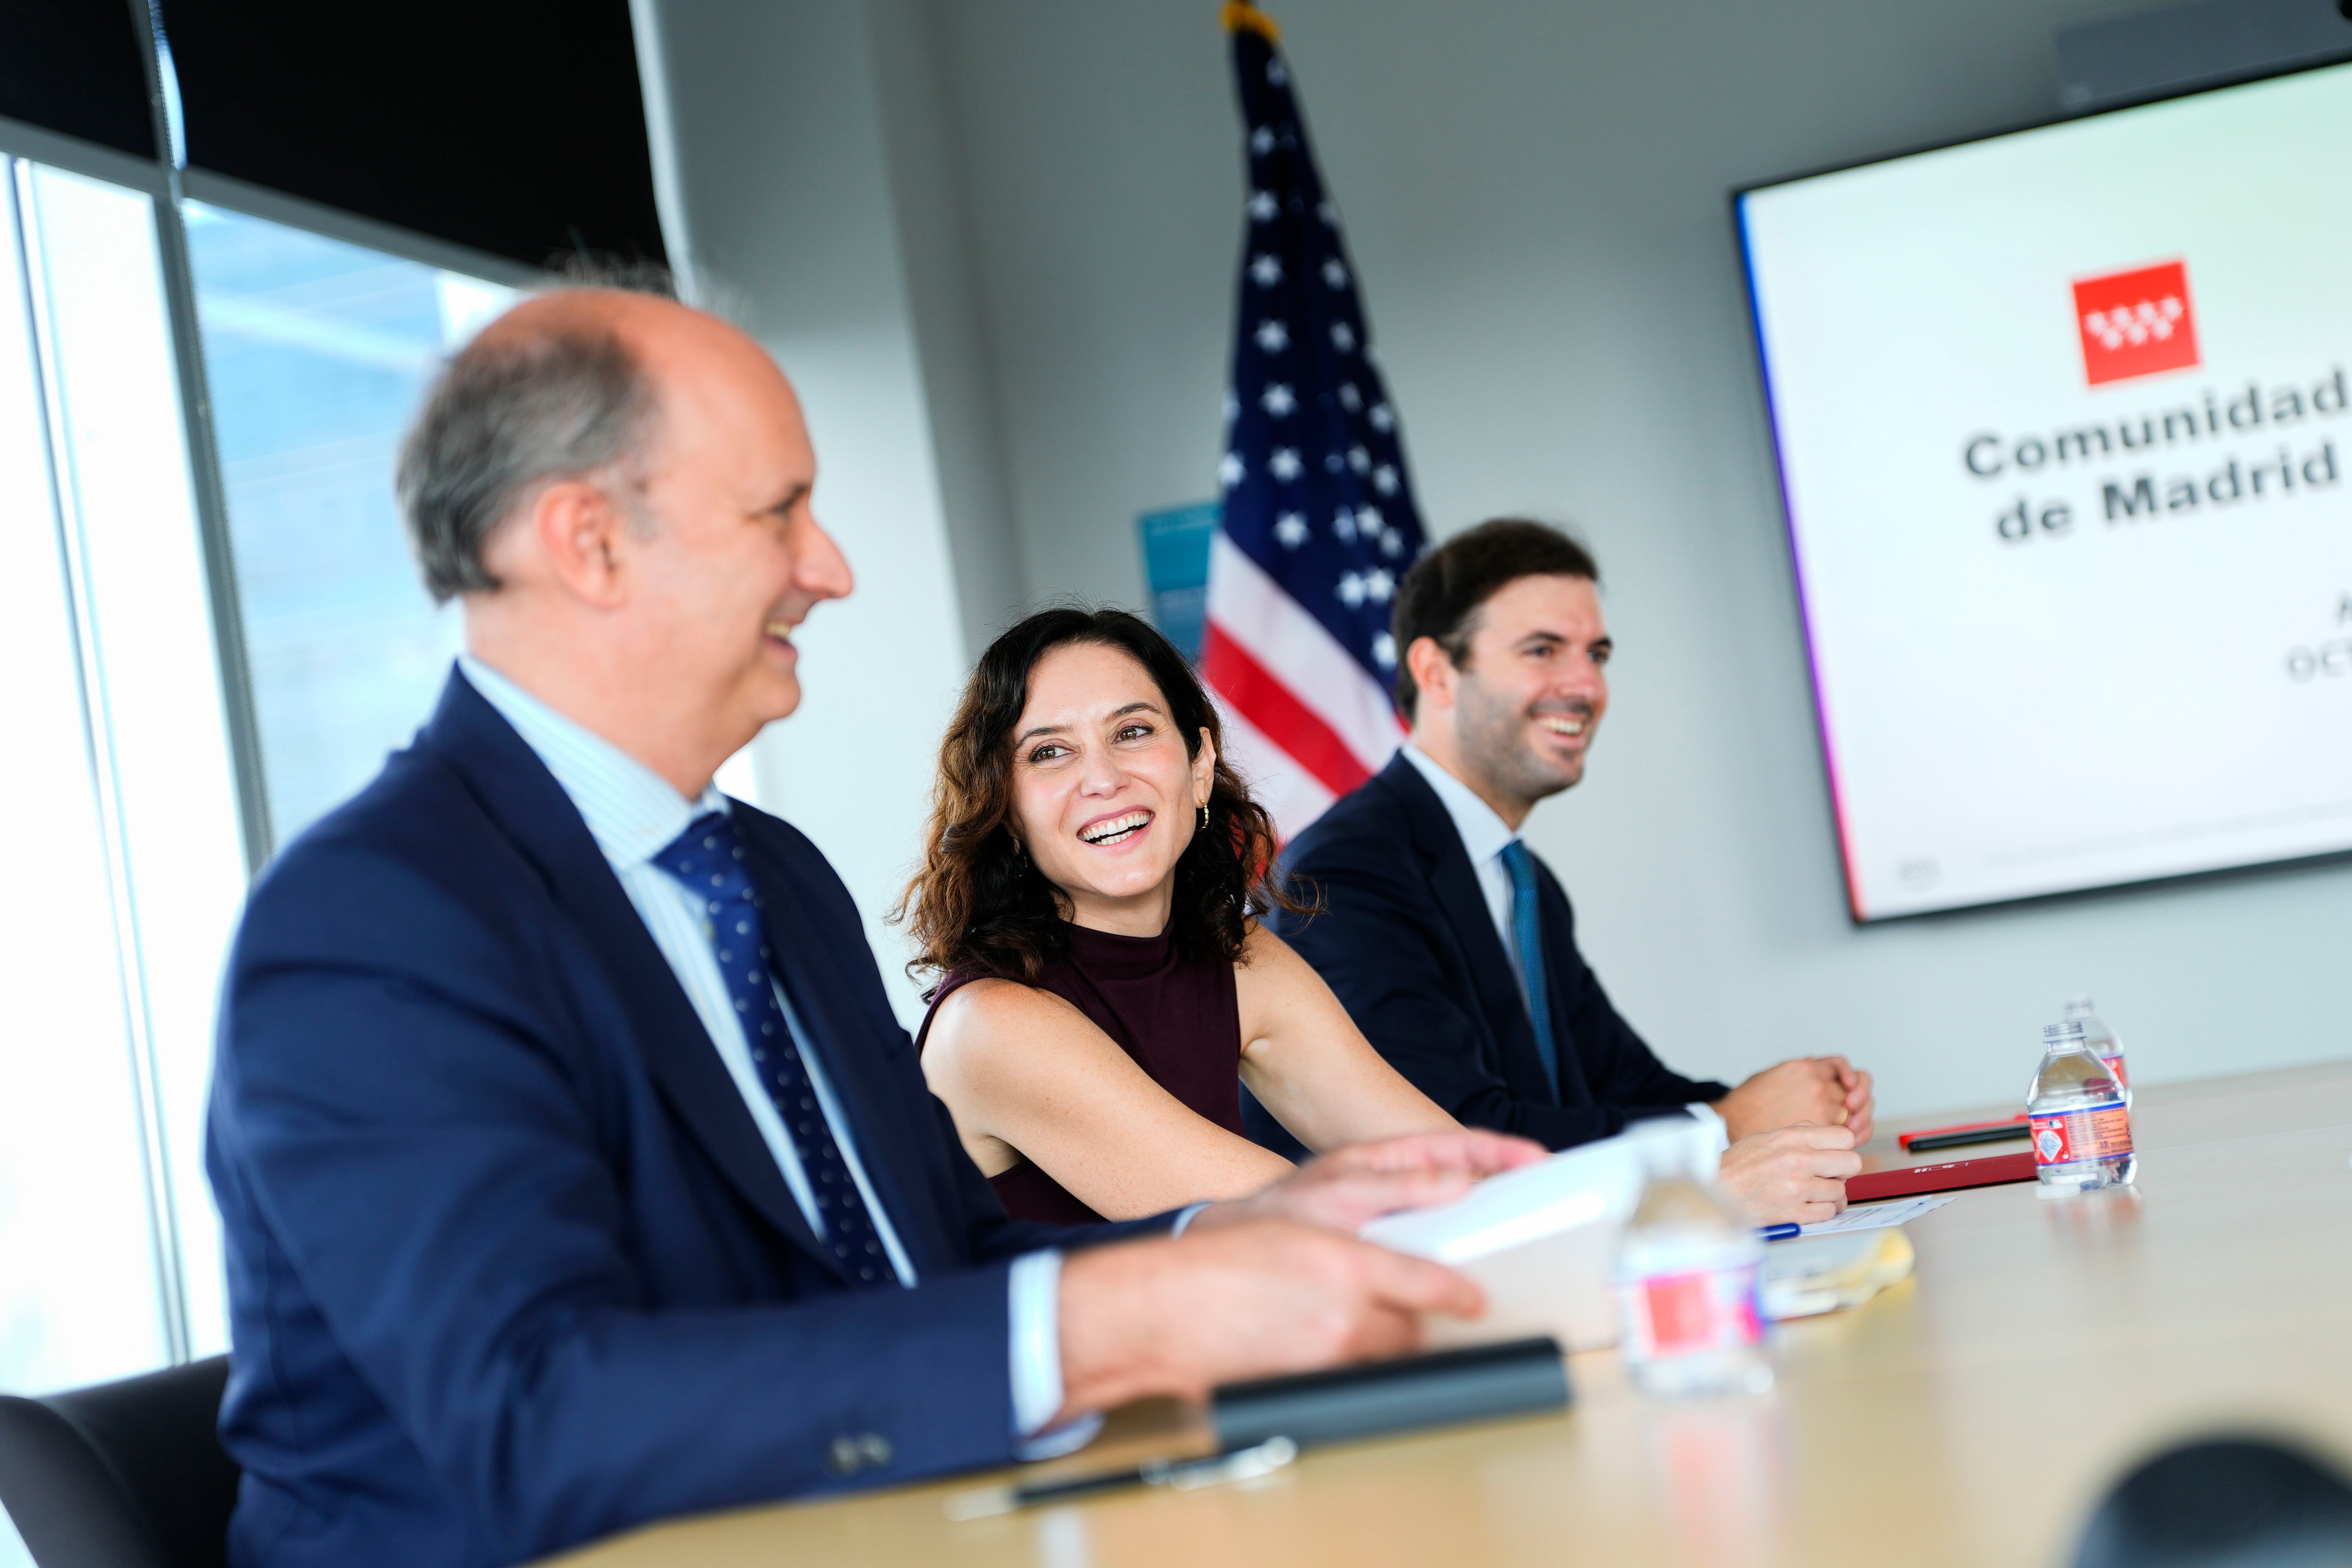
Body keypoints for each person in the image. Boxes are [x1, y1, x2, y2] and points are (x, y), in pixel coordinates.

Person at [204, 282, 1542, 1568]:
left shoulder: (767, 874)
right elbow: (537, 1412)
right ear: (589, 543)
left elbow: (940, 1254)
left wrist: (1231, 1236)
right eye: (781, 511)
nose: (830, 569)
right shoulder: (374, 919)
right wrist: (1105, 1323)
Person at [1250, 518, 1869, 1225]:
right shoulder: (1347, 874)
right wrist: (1724, 1123)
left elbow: (1620, 1085)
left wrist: (1785, 1116)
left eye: (1597, 654)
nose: (1586, 685)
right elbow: (1459, 1138)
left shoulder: (1523, 878)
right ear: (1436, 672)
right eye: (1543, 650)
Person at [903, 608, 1459, 1224]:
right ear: (1006, 808)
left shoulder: (1239, 960)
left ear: (1199, 767)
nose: (1104, 779)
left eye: (1133, 732)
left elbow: (1452, 1169)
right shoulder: (990, 1025)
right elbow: (1296, 1225)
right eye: (1051, 751)